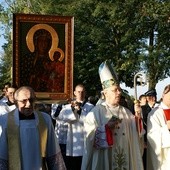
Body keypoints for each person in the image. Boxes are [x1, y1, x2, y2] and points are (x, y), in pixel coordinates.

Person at [81, 60, 144, 170]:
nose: (119, 93)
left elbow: (137, 133)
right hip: (105, 157)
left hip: (125, 155)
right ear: (105, 93)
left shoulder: (126, 112)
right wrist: (105, 129)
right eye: (115, 90)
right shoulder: (95, 113)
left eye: (119, 90)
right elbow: (88, 138)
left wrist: (138, 114)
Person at [0, 86, 66, 170]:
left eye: (31, 100)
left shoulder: (45, 119)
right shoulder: (5, 120)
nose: (28, 104)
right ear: (16, 103)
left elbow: (53, 149)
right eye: (24, 101)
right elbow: (2, 153)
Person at [57, 84, 94, 170]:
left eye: (82, 92)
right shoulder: (68, 106)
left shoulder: (91, 107)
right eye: (78, 92)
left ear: (85, 93)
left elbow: (91, 122)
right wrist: (73, 110)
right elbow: (61, 119)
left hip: (85, 141)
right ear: (74, 93)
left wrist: (80, 111)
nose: (80, 94)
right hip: (72, 142)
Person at [147, 84, 170, 170]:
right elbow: (151, 136)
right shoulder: (155, 113)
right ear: (163, 94)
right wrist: (166, 127)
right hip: (165, 157)